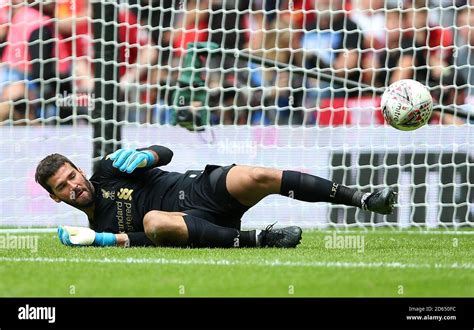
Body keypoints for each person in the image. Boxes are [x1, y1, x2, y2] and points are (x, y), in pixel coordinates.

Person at [35, 146, 397, 249]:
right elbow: (150, 238)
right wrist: (106, 240)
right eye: (63, 187)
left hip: (199, 189)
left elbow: (166, 152)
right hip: (192, 226)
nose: (74, 186)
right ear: (55, 198)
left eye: (72, 176)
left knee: (257, 175)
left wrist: (149, 155)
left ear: (80, 169)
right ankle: (260, 240)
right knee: (153, 221)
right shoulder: (99, 226)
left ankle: (363, 198)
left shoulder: (108, 169)